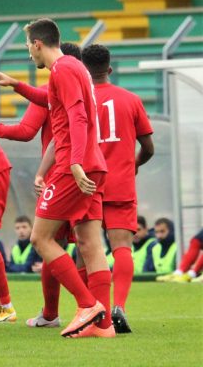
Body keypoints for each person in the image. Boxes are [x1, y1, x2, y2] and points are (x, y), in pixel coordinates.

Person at [6, 18, 112, 338]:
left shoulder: (63, 70)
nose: (28, 53)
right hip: (92, 163)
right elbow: (55, 105)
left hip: (71, 166)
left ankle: (87, 305)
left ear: (38, 44)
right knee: (90, 244)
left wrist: (75, 163)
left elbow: (77, 116)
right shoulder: (73, 67)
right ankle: (102, 327)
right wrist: (17, 85)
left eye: (28, 46)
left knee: (41, 238)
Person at [0, 43, 82, 329]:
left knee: (48, 241)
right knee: (90, 245)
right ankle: (103, 310)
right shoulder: (90, 90)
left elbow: (26, 131)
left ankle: (61, 311)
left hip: (62, 175)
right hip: (95, 173)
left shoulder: (56, 88)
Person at [81, 43, 155, 333]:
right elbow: (149, 147)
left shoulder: (80, 101)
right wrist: (133, 164)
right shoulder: (131, 99)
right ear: (109, 69)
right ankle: (119, 306)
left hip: (86, 183)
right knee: (122, 246)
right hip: (121, 182)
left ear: (84, 71)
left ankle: (89, 310)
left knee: (85, 248)